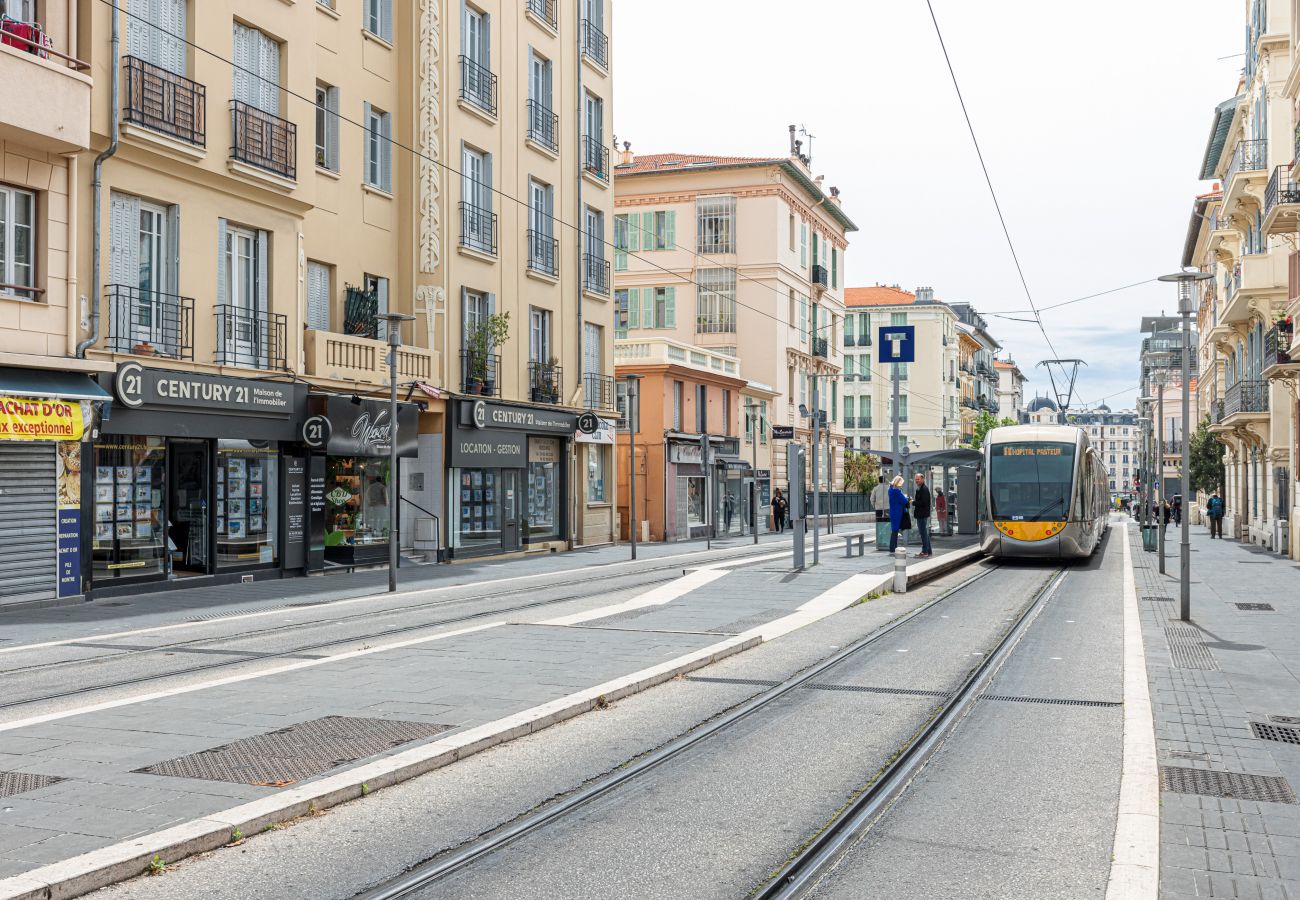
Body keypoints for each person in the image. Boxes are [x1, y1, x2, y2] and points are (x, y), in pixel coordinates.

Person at [912, 472, 933, 557]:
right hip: (922, 514)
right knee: (924, 533)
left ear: (922, 479)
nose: (917, 481)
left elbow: (923, 503)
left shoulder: (923, 489)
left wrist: (913, 502)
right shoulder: (921, 488)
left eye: (918, 479)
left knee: (923, 533)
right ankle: (928, 550)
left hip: (922, 514)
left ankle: (925, 551)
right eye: (916, 479)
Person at [888, 475, 909, 553]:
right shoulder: (896, 492)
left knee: (894, 530)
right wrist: (906, 498)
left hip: (893, 511)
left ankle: (893, 547)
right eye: (901, 483)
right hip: (897, 512)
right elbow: (904, 501)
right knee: (895, 530)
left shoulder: (890, 490)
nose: (902, 485)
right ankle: (893, 548)